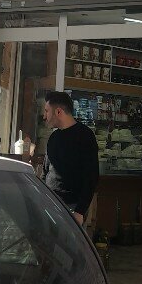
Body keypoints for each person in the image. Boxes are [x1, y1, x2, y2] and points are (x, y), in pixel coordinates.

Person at [42, 91, 99, 226]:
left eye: (47, 111)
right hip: (49, 203)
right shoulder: (53, 137)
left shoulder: (85, 136)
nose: (44, 116)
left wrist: (80, 211)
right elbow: (46, 171)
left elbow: (91, 176)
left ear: (58, 112)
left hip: (72, 207)